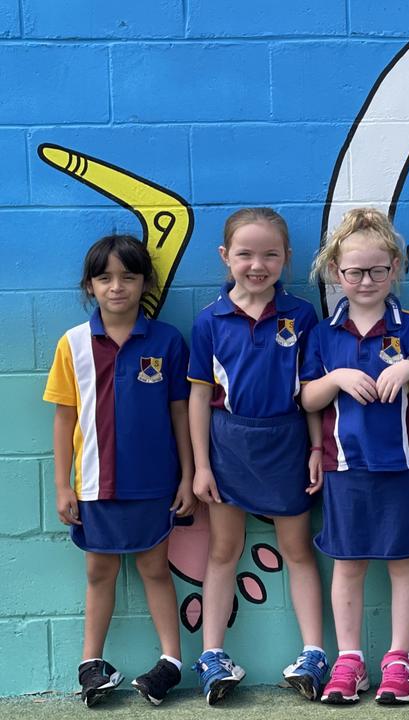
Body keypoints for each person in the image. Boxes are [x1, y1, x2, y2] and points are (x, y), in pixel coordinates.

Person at [300, 208, 409, 705]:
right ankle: (348, 661)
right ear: (335, 273)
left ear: (395, 268)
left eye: (377, 270)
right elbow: (306, 399)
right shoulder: (323, 334)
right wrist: (336, 379)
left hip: (401, 468)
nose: (366, 280)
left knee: (403, 564)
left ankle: (399, 661)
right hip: (344, 470)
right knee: (349, 564)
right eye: (354, 272)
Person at [44, 234, 195, 706]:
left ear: (145, 282)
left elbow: (180, 414)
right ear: (89, 285)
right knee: (99, 571)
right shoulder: (72, 344)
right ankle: (91, 664)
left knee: (154, 568)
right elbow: (64, 415)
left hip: (154, 483)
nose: (116, 287)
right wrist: (62, 485)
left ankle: (170, 661)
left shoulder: (168, 341)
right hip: (93, 484)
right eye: (105, 277)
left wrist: (188, 476)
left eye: (128, 277)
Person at [187, 208, 327, 704]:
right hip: (228, 446)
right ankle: (212, 656)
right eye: (245, 254)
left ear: (287, 258)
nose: (257, 264)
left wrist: (316, 447)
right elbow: (200, 397)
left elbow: (311, 391)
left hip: (286, 442)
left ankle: (313, 653)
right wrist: (202, 466)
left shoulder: (302, 316)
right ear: (226, 258)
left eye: (270, 254)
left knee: (297, 549)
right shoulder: (209, 321)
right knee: (224, 550)